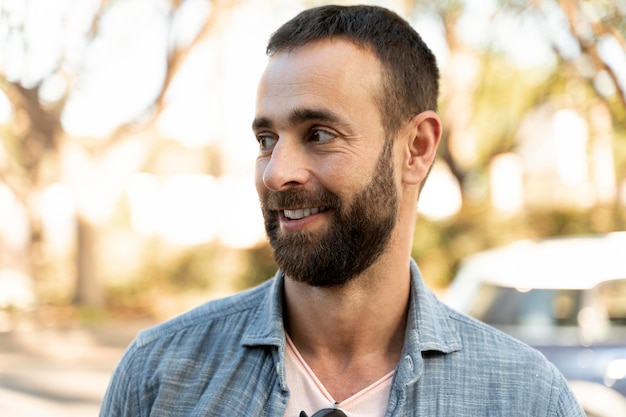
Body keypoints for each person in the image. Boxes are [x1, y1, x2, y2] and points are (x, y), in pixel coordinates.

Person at [100, 5, 585, 417]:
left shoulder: (525, 397)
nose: (275, 173)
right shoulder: (158, 377)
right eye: (267, 140)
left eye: (319, 134)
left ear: (415, 149)